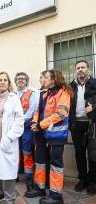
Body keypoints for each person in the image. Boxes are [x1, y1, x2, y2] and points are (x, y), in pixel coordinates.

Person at [25, 70, 72, 204]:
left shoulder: (64, 93)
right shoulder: (43, 93)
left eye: (45, 77)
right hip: (41, 134)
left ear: (54, 79)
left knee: (55, 164)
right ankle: (40, 188)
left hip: (56, 135)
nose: (42, 79)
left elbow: (61, 113)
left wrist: (40, 125)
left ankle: (56, 195)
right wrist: (35, 122)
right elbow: (37, 111)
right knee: (39, 162)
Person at [0, 72, 24, 204]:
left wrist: (9, 137)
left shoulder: (13, 98)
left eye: (5, 80)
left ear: (9, 83)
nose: (2, 82)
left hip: (6, 141)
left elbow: (19, 120)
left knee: (7, 171)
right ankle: (1, 192)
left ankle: (10, 198)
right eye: (0, 80)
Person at [69, 60, 96, 195]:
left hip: (92, 123)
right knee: (79, 153)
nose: (80, 70)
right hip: (76, 124)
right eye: (78, 68)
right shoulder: (71, 86)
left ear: (88, 69)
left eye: (83, 67)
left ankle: (93, 181)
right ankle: (83, 179)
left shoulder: (95, 83)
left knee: (93, 154)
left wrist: (95, 107)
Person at [14, 72, 39, 190]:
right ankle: (15, 174)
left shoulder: (33, 92)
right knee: (15, 150)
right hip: (14, 127)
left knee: (27, 151)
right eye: (18, 79)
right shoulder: (12, 94)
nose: (20, 81)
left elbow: (32, 109)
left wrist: (20, 121)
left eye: (23, 79)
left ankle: (29, 177)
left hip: (27, 126)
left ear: (27, 81)